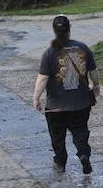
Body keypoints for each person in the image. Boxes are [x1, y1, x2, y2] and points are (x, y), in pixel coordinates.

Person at [33, 15, 99, 174]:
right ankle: (83, 153)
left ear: (55, 31)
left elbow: (43, 78)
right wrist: (96, 85)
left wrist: (36, 98)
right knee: (80, 131)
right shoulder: (82, 48)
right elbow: (93, 71)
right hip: (80, 103)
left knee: (57, 135)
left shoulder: (49, 53)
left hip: (56, 106)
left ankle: (60, 162)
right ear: (69, 29)